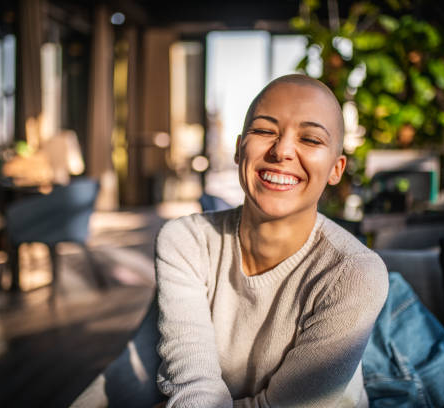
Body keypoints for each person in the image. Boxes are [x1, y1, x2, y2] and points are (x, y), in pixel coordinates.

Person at [153, 74, 389, 407]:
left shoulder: (355, 273)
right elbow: (193, 388)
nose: (281, 151)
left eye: (310, 139)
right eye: (264, 131)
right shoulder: (186, 241)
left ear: (336, 169)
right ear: (238, 149)